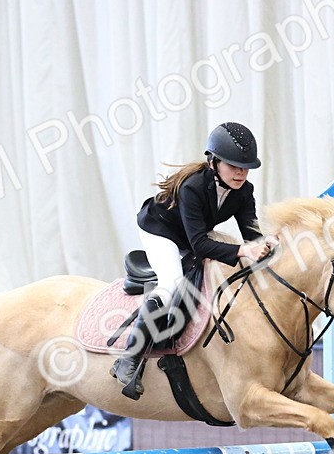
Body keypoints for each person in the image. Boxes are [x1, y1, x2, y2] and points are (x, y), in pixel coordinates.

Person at [111, 122, 279, 398]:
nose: (241, 173)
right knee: (171, 284)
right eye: (234, 165)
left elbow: (251, 234)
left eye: (245, 167)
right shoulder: (193, 187)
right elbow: (200, 245)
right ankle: (128, 358)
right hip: (160, 230)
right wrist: (241, 252)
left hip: (191, 232)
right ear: (214, 162)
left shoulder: (244, 191)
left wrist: (268, 244)